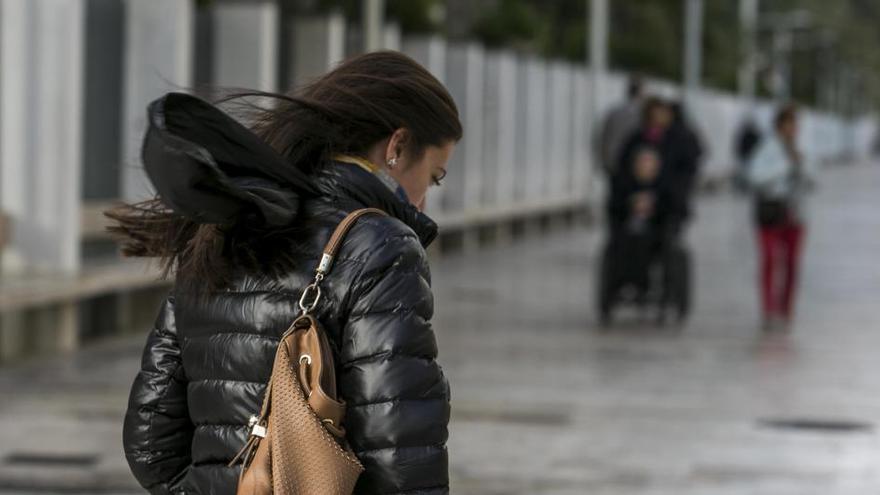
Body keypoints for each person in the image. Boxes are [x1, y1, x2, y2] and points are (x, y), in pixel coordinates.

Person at [110, 51, 462, 494]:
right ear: (396, 146)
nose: (423, 202)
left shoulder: (222, 224)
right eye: (434, 176)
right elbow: (400, 457)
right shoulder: (380, 244)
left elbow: (150, 441)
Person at [746, 104, 816, 330]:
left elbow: (814, 177)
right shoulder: (767, 148)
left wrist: (802, 165)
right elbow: (754, 176)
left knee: (792, 264)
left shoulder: (803, 148)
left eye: (795, 124)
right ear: (779, 125)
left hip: (796, 214)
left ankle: (786, 310)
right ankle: (768, 309)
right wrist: (785, 167)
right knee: (769, 261)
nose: (793, 128)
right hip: (771, 212)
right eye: (789, 124)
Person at [598, 75, 644, 175]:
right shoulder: (643, 114)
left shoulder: (614, 112)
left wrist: (603, 160)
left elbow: (603, 137)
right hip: (634, 163)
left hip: (614, 161)